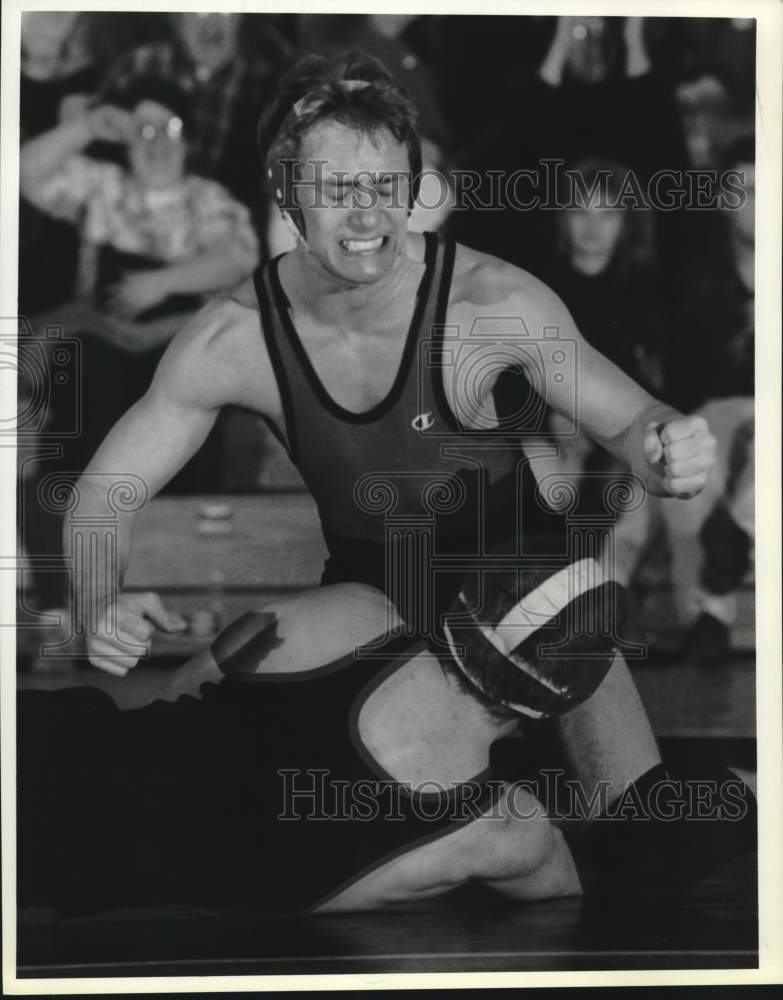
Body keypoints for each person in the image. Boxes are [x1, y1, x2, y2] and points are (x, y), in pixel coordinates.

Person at [65, 52, 717, 815]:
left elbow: (632, 420)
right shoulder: (234, 339)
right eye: (337, 190)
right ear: (288, 195)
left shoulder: (490, 302)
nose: (366, 214)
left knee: (643, 831)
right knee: (177, 722)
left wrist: (669, 447)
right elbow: (102, 495)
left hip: (524, 597)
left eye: (384, 188)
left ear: (413, 192)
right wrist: (96, 599)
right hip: (374, 594)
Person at [18, 581, 756, 917]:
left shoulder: (352, 615)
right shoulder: (505, 835)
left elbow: (188, 684)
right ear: (555, 707)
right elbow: (584, 887)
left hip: (50, 744)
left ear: (473, 605)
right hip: (79, 876)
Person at [20, 74, 259, 479]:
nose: (157, 143)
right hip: (99, 341)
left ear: (187, 141)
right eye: (144, 131)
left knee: (194, 372)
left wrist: (161, 283)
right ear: (127, 141)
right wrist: (88, 125)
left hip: (173, 341)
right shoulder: (102, 185)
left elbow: (238, 259)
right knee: (89, 364)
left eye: (169, 129)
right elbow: (24, 173)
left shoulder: (207, 198)